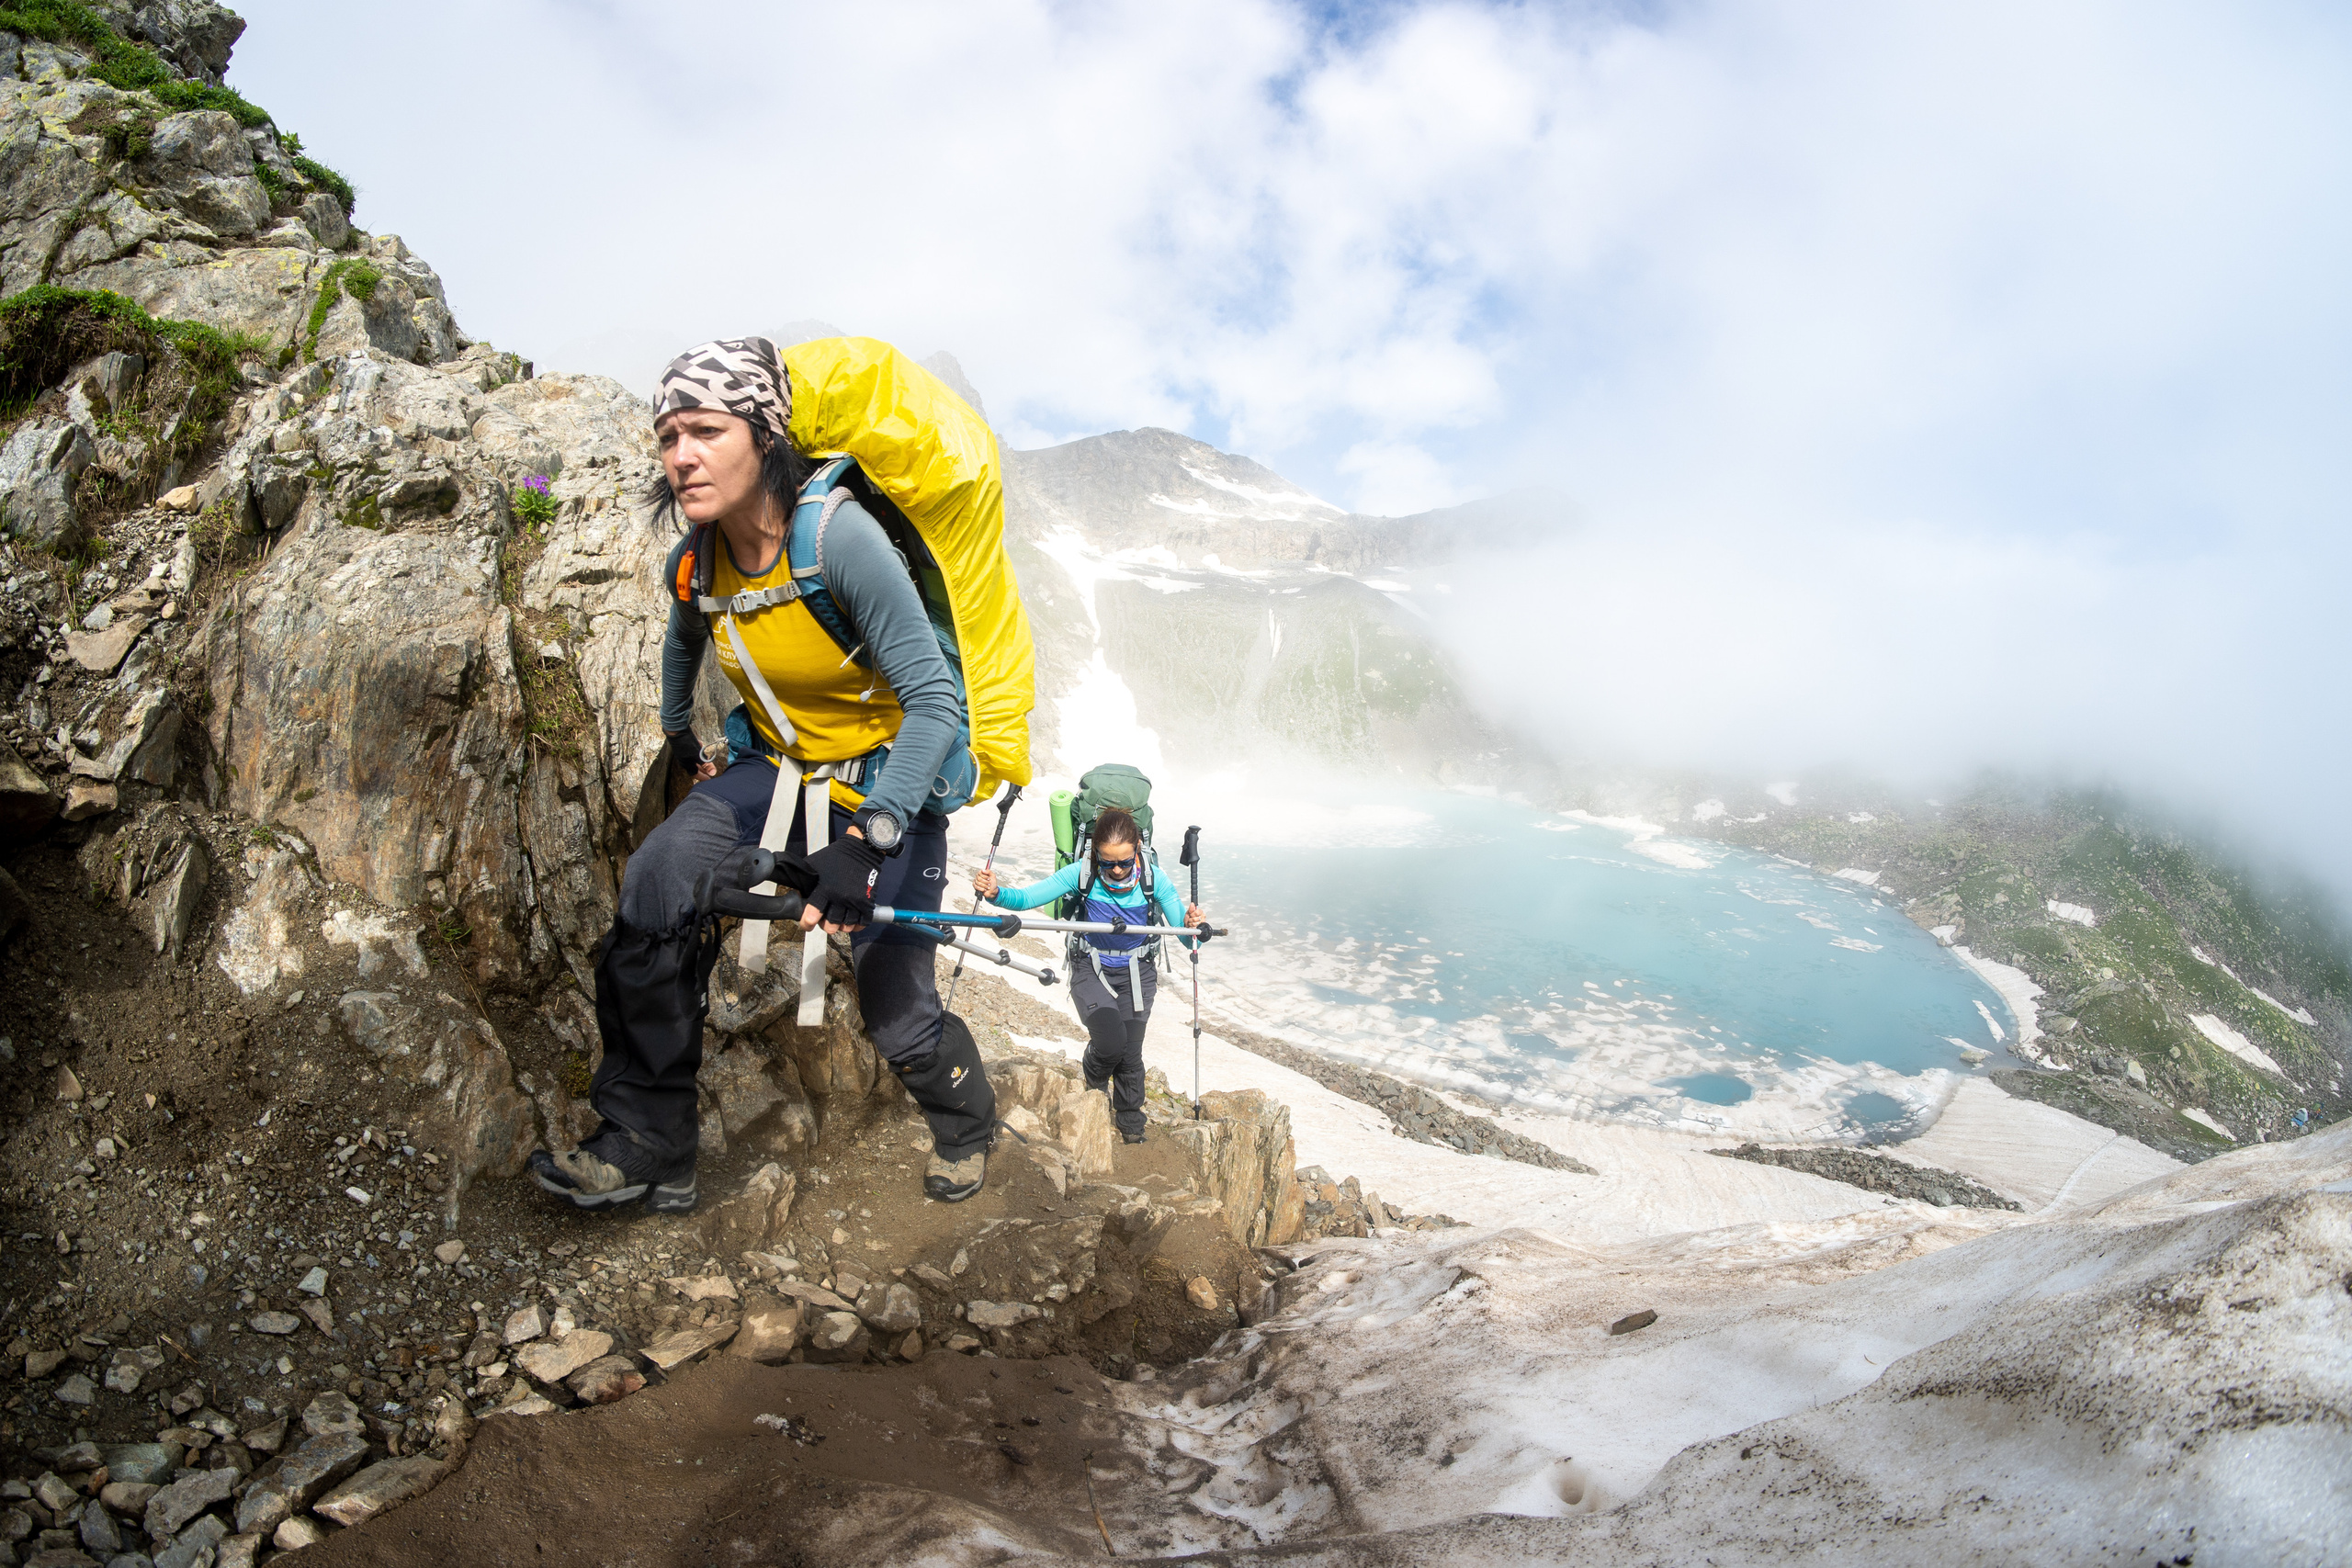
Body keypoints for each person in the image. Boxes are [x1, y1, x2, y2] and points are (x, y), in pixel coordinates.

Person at [529, 335, 997, 1214]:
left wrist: (869, 840)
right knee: (656, 881)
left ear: (764, 434)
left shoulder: (838, 539)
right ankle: (650, 1139)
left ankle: (966, 1126)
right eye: (668, 435)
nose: (680, 455)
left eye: (705, 428)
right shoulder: (696, 560)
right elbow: (683, 646)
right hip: (772, 771)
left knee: (898, 1013)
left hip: (889, 785)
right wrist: (682, 743)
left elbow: (932, 702)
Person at [973, 807, 1202, 1145]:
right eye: (1107, 862)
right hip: (1089, 967)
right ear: (1096, 854)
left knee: (1130, 1051)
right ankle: (1094, 1078)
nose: (1118, 869)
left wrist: (1191, 925)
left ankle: (1129, 1116)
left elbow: (1183, 937)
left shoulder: (1155, 879)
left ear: (1138, 847)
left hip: (1137, 972)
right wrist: (996, 893)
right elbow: (1026, 898)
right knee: (1110, 1043)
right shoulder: (1081, 874)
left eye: (1124, 861)